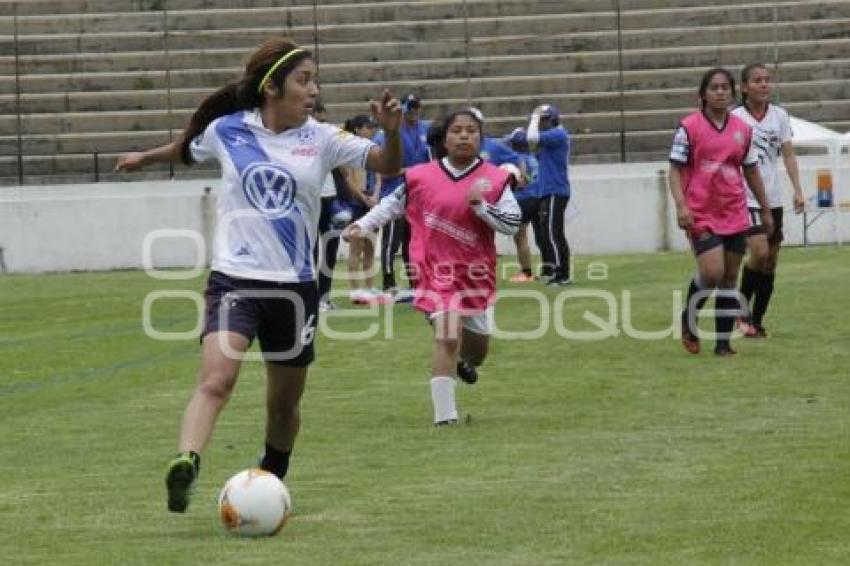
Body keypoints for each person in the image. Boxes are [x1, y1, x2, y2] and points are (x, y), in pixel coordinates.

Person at [114, 37, 402, 512]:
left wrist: (391, 132)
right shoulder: (229, 130)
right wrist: (145, 157)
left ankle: (272, 475)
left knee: (283, 404)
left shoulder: (325, 138)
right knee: (216, 380)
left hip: (295, 290)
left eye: (315, 82)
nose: (312, 91)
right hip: (235, 281)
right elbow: (186, 149)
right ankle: (186, 461)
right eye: (303, 80)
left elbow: (388, 164)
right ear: (272, 87)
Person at [343, 109, 521, 425]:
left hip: (476, 274)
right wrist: (363, 225)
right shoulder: (420, 176)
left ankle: (464, 363)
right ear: (443, 138)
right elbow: (390, 205)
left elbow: (511, 223)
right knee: (448, 336)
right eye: (457, 130)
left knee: (476, 350)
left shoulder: (494, 178)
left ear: (481, 138)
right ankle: (445, 417)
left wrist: (481, 206)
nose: (464, 136)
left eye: (471, 130)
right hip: (433, 269)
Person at [668, 67, 773, 356]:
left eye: (725, 87)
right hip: (700, 212)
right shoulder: (689, 127)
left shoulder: (743, 130)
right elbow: (675, 170)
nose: (720, 92)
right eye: (714, 88)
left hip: (734, 211)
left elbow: (751, 171)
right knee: (712, 273)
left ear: (733, 92)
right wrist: (681, 205)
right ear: (702, 94)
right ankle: (689, 320)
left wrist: (764, 210)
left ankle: (723, 345)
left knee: (729, 277)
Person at [731, 63, 805, 338]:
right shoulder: (735, 117)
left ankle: (757, 321)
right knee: (759, 253)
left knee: (770, 261)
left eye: (767, 80)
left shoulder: (780, 116)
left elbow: (788, 154)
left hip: (772, 198)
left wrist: (797, 189)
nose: (764, 84)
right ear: (745, 87)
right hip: (745, 198)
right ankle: (741, 310)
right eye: (757, 80)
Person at [373, 93, 431, 300]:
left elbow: (431, 161)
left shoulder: (426, 129)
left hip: (417, 195)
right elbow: (382, 170)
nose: (414, 112)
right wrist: (410, 171)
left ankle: (415, 283)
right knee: (391, 242)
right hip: (393, 194)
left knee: (413, 241)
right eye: (410, 108)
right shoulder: (388, 133)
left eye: (417, 108)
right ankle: (389, 283)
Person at [339, 114, 390, 305]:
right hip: (356, 200)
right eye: (368, 127)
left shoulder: (373, 149)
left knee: (370, 246)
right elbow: (348, 179)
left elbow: (378, 175)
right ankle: (355, 289)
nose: (372, 130)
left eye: (373, 127)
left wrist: (376, 195)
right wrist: (363, 198)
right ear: (358, 129)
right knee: (356, 246)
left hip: (371, 198)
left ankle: (369, 287)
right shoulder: (348, 148)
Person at [527, 104, 572, 285]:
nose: (541, 123)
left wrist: (534, 117)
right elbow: (532, 143)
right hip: (548, 190)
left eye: (545, 120)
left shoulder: (558, 134)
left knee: (554, 234)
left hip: (555, 189)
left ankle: (561, 273)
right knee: (549, 234)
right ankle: (557, 271)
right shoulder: (549, 138)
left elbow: (531, 137)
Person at [312, 100, 350, 312]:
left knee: (330, 250)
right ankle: (311, 298)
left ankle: (323, 298)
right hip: (312, 199)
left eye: (324, 120)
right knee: (310, 252)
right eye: (319, 119)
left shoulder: (328, 137)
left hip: (331, 198)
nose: (322, 124)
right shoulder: (301, 137)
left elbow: (341, 168)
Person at [505, 127, 544, 282]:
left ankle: (526, 272)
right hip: (537, 198)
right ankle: (550, 267)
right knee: (542, 237)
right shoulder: (534, 158)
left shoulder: (515, 160)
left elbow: (518, 183)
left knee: (520, 237)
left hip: (522, 199)